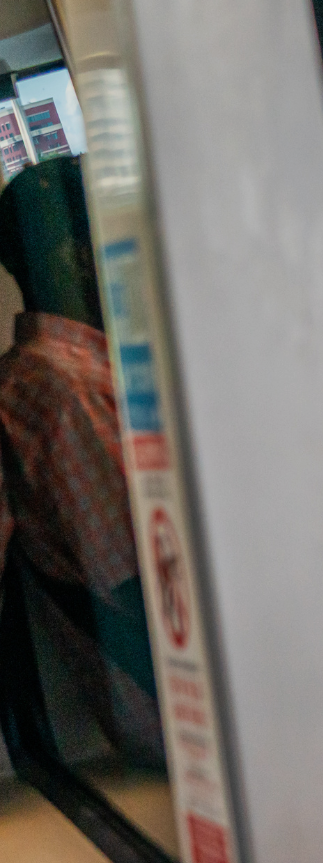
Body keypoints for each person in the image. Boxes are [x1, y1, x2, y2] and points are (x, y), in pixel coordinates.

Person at [0, 156, 162, 769]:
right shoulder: (57, 391)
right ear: (79, 258)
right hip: (172, 708)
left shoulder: (90, 375)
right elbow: (142, 578)